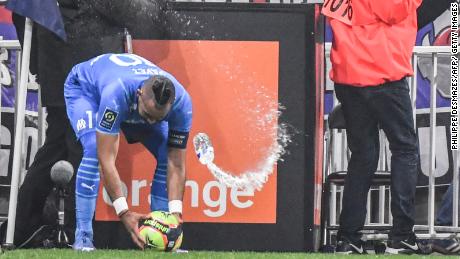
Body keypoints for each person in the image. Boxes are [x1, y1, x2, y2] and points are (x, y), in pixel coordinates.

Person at [1, 0, 167, 248]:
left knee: (60, 144)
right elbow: (120, 11)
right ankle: (71, 231)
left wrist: (37, 62)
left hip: (64, 63)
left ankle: (24, 225)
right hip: (82, 65)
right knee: (80, 147)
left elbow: (20, 10)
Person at [64, 53, 192, 251]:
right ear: (140, 93)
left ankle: (162, 229)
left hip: (127, 102)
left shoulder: (182, 103)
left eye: (159, 118)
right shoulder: (117, 92)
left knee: (167, 152)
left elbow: (176, 162)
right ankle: (83, 238)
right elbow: (105, 160)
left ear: (171, 105)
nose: (151, 122)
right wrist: (123, 212)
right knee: (93, 148)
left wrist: (176, 214)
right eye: (148, 116)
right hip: (87, 91)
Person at [323, 0, 422, 254]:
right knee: (405, 150)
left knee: (363, 156)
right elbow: (393, 9)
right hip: (383, 74)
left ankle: (348, 238)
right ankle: (401, 237)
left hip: (348, 77)